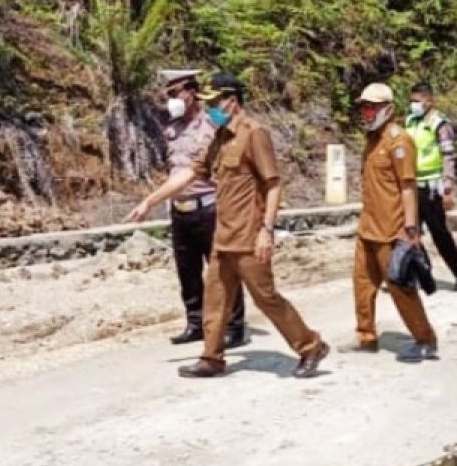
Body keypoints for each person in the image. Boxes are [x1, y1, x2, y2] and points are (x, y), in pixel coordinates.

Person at [126, 73, 329, 379]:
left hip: (249, 237)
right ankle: (212, 357)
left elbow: (273, 185)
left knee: (266, 297)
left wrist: (267, 230)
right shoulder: (218, 138)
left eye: (215, 104)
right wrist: (149, 201)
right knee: (215, 299)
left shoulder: (253, 134)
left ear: (232, 101)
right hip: (223, 235)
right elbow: (191, 174)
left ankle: (310, 345)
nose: (210, 110)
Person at [148, 70, 246, 347]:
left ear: (191, 93)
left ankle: (233, 326)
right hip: (180, 209)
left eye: (175, 93)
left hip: (209, 208)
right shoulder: (172, 129)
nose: (171, 100)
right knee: (187, 272)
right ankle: (196, 322)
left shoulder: (212, 124)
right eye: (168, 94)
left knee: (222, 269)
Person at [352, 83, 440, 362]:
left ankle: (425, 339)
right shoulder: (372, 139)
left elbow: (408, 187)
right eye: (364, 107)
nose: (366, 112)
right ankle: (366, 336)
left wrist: (410, 229)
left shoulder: (398, 140)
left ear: (387, 109)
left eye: (371, 107)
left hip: (392, 230)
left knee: (401, 288)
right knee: (362, 285)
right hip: (368, 227)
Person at [406, 82, 457, 291]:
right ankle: (423, 271)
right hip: (412, 186)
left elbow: (448, 156)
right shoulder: (410, 122)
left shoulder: (440, 125)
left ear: (429, 102)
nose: (413, 105)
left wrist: (448, 187)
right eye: (411, 101)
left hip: (432, 188)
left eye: (417, 101)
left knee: (440, 233)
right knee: (411, 232)